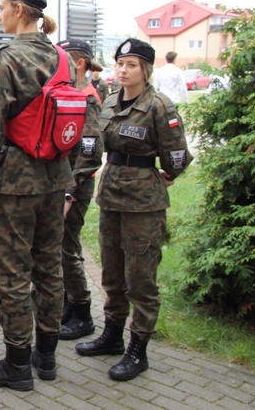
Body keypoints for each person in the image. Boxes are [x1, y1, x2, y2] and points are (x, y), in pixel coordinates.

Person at [0, 0, 73, 391]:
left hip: (15, 184)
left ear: (17, 8)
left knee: (12, 272)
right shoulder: (62, 56)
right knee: (50, 267)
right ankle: (45, 359)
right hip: (55, 178)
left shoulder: (6, 57)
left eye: (2, 6)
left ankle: (16, 366)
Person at [75, 38, 191, 381]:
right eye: (120, 64)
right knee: (112, 273)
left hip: (144, 203)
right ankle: (112, 335)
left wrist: (167, 174)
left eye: (131, 65)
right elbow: (93, 145)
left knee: (140, 278)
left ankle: (138, 349)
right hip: (111, 195)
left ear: (146, 70)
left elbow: (178, 155)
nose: (123, 70)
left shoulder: (159, 106)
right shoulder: (109, 101)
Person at [56, 39, 103, 341]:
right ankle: (69, 304)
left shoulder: (88, 99)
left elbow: (90, 154)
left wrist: (69, 194)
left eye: (64, 61)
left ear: (80, 64)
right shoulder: (73, 94)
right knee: (60, 247)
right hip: (65, 183)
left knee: (67, 248)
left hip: (76, 185)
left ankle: (82, 312)